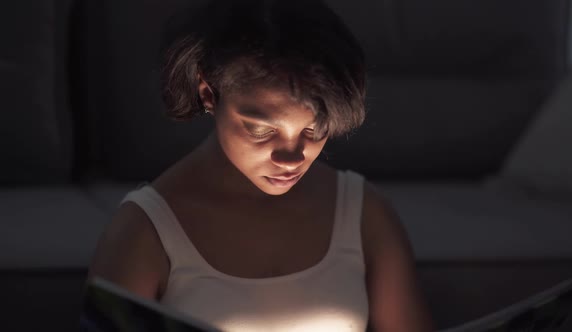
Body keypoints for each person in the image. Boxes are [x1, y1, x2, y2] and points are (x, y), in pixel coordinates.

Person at [86, 0, 434, 331]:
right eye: (262, 129)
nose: (293, 158)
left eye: (315, 130)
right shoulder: (143, 233)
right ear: (209, 93)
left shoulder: (364, 214)